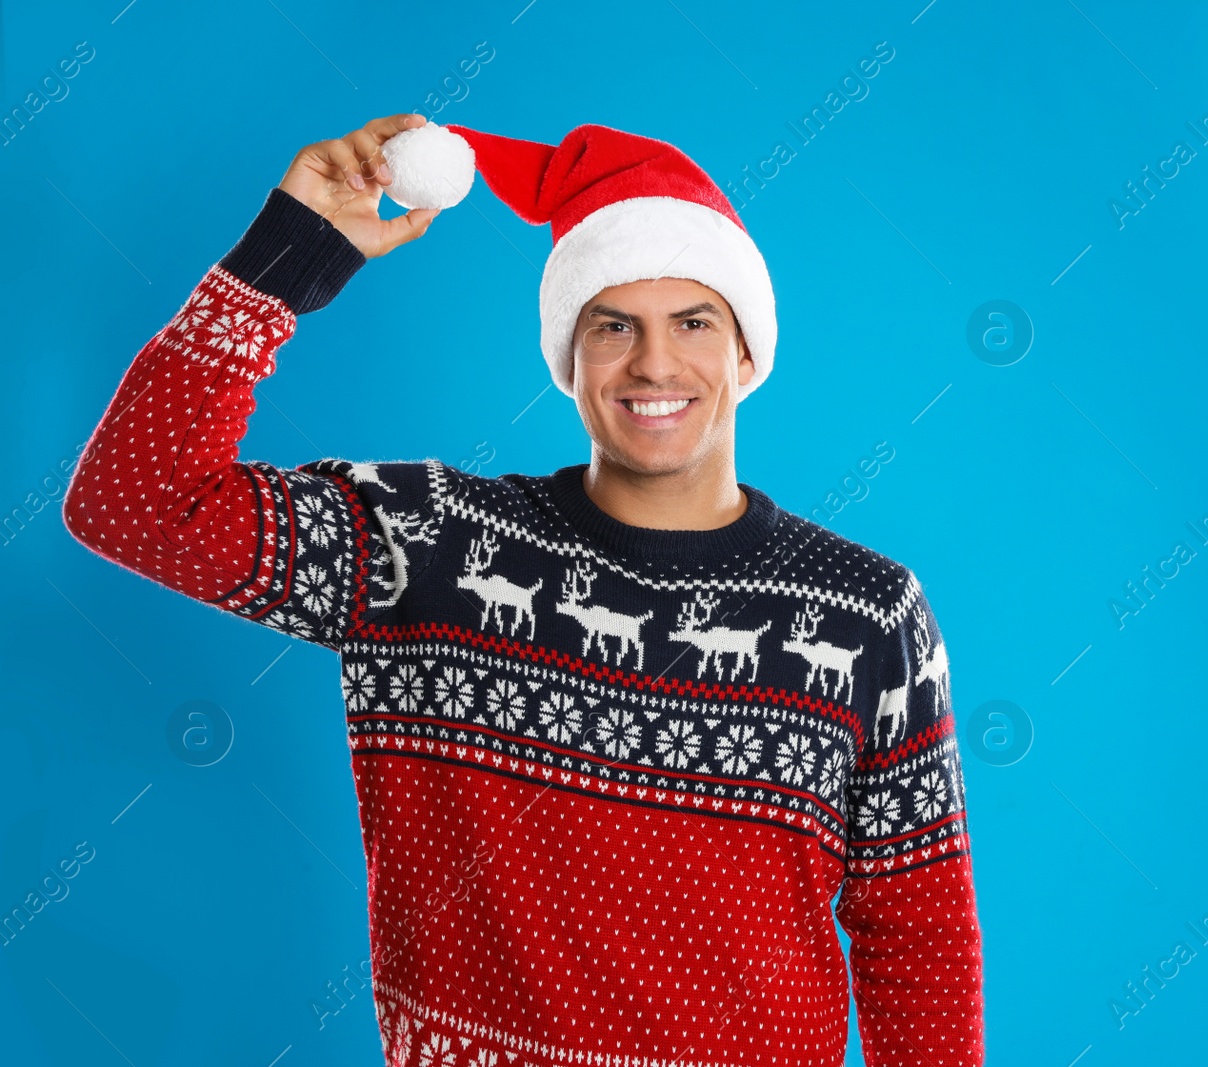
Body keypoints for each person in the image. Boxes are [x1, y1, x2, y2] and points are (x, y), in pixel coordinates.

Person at [62, 113, 983, 1066]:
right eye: (613, 325)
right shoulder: (426, 545)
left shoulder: (866, 611)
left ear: (747, 354)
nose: (655, 364)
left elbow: (918, 940)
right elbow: (135, 500)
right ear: (568, 358)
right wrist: (288, 258)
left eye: (695, 322)